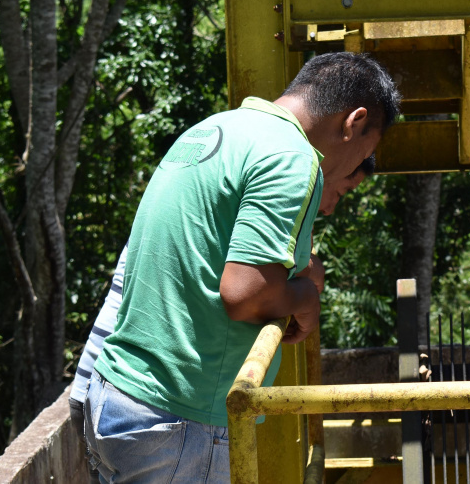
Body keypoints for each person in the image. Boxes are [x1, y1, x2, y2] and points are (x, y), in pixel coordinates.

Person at [83, 53, 398, 483]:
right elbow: (248, 294)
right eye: (368, 147)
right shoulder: (293, 157)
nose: (356, 161)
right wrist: (306, 299)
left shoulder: (215, 129)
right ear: (354, 121)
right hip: (178, 420)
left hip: (115, 397)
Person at [68, 157, 375, 483]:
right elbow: (259, 285)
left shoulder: (207, 192)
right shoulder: (279, 188)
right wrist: (308, 286)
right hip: (156, 412)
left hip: (99, 391)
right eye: (341, 191)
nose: (329, 208)